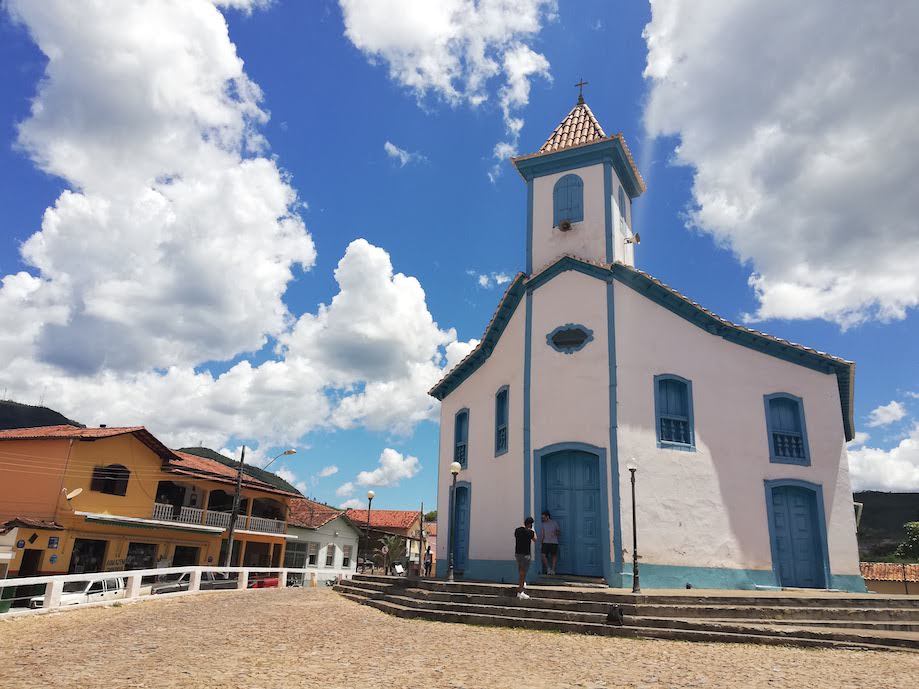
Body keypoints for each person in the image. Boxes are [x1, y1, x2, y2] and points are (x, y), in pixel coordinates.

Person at [514, 516, 536, 599]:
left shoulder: (517, 530)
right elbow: (535, 539)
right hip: (525, 555)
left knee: (520, 570)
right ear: (530, 524)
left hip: (518, 554)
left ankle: (522, 584)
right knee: (523, 573)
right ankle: (520, 591)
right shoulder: (530, 532)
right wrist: (533, 529)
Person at [539, 510, 560, 575]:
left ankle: (553, 570)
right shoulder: (543, 524)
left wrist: (555, 533)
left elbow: (559, 531)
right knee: (543, 555)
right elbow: (542, 534)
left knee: (554, 555)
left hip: (554, 542)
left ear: (547, 517)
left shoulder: (554, 523)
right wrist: (541, 543)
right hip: (545, 542)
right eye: (542, 517)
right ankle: (548, 568)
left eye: (544, 517)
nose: (543, 519)